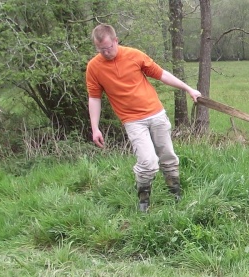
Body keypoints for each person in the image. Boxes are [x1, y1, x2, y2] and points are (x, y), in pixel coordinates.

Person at [86, 23, 201, 212]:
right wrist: (95, 127)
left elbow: (161, 74)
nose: (106, 52)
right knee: (148, 162)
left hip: (156, 113)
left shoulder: (134, 55)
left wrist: (188, 89)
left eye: (109, 47)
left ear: (116, 40)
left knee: (168, 155)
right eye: (101, 50)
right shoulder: (94, 67)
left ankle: (175, 194)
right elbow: (94, 97)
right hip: (132, 120)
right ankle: (143, 200)